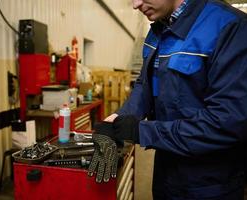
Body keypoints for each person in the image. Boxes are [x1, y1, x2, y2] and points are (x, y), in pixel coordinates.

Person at [96, 0, 247, 199]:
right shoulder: (158, 28)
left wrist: (142, 132)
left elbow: (227, 122)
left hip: (210, 185)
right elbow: (145, 85)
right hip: (165, 175)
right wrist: (117, 119)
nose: (135, 4)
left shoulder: (231, 27)